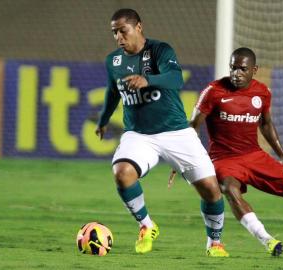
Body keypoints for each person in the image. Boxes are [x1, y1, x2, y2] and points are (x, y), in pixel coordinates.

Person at [95, 8, 228, 257]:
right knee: (122, 173)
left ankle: (215, 242)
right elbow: (113, 92)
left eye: (123, 30)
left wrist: (148, 80)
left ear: (138, 27)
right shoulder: (113, 61)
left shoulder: (159, 50)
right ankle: (146, 226)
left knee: (211, 189)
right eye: (114, 32)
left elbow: (176, 78)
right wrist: (103, 119)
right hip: (139, 135)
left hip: (176, 132)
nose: (118, 37)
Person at [189, 47, 283, 257]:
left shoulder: (262, 91)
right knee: (231, 191)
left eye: (242, 69)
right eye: (233, 68)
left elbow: (266, 124)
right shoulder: (214, 91)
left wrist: (281, 154)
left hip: (254, 156)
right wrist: (187, 155)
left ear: (254, 70)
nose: (236, 73)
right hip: (224, 159)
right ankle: (268, 240)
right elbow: (193, 126)